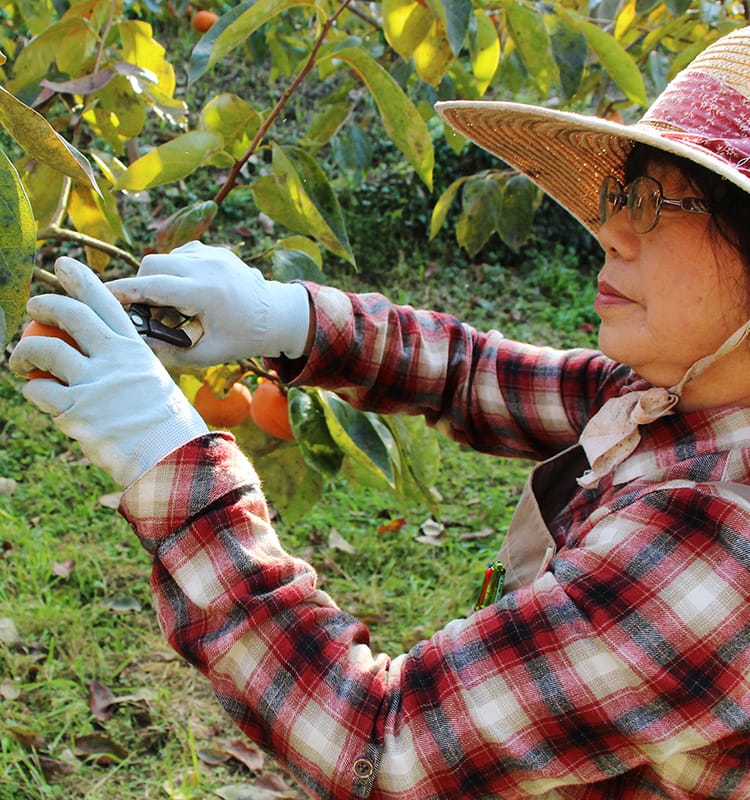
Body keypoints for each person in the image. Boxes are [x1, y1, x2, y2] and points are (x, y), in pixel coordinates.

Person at [9, 25, 750, 800]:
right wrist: (284, 317)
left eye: (661, 202)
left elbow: (379, 744)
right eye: (621, 195)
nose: (613, 229)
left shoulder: (717, 543)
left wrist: (169, 461)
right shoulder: (679, 399)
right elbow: (474, 374)